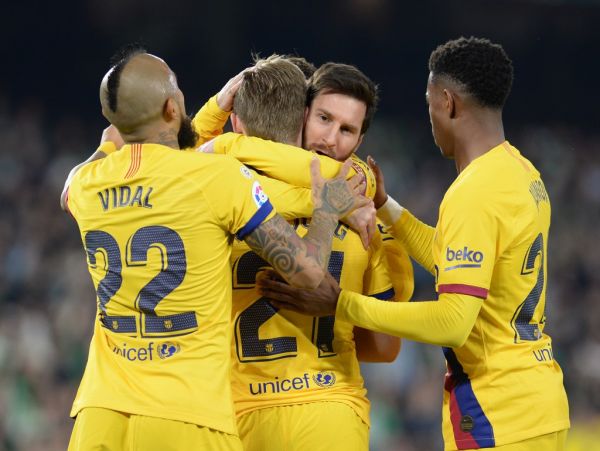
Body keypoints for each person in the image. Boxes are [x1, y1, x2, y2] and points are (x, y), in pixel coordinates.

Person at [257, 37, 570, 450]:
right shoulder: (521, 173)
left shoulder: (473, 192)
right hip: (539, 400)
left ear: (447, 102)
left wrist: (342, 303)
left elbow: (454, 323)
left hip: (497, 412)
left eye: (428, 105)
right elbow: (450, 260)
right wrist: (387, 207)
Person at [60, 47, 368, 451]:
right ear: (172, 107)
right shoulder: (217, 179)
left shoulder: (87, 184)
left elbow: (70, 185)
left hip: (99, 416)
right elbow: (310, 272)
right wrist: (325, 210)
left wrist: (109, 140)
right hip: (187, 417)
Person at [194, 57, 412, 450]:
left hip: (237, 412)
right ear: (302, 115)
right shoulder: (364, 214)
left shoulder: (219, 187)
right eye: (324, 120)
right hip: (332, 408)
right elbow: (383, 348)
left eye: (346, 129)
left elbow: (172, 163)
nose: (330, 139)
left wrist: (221, 131)